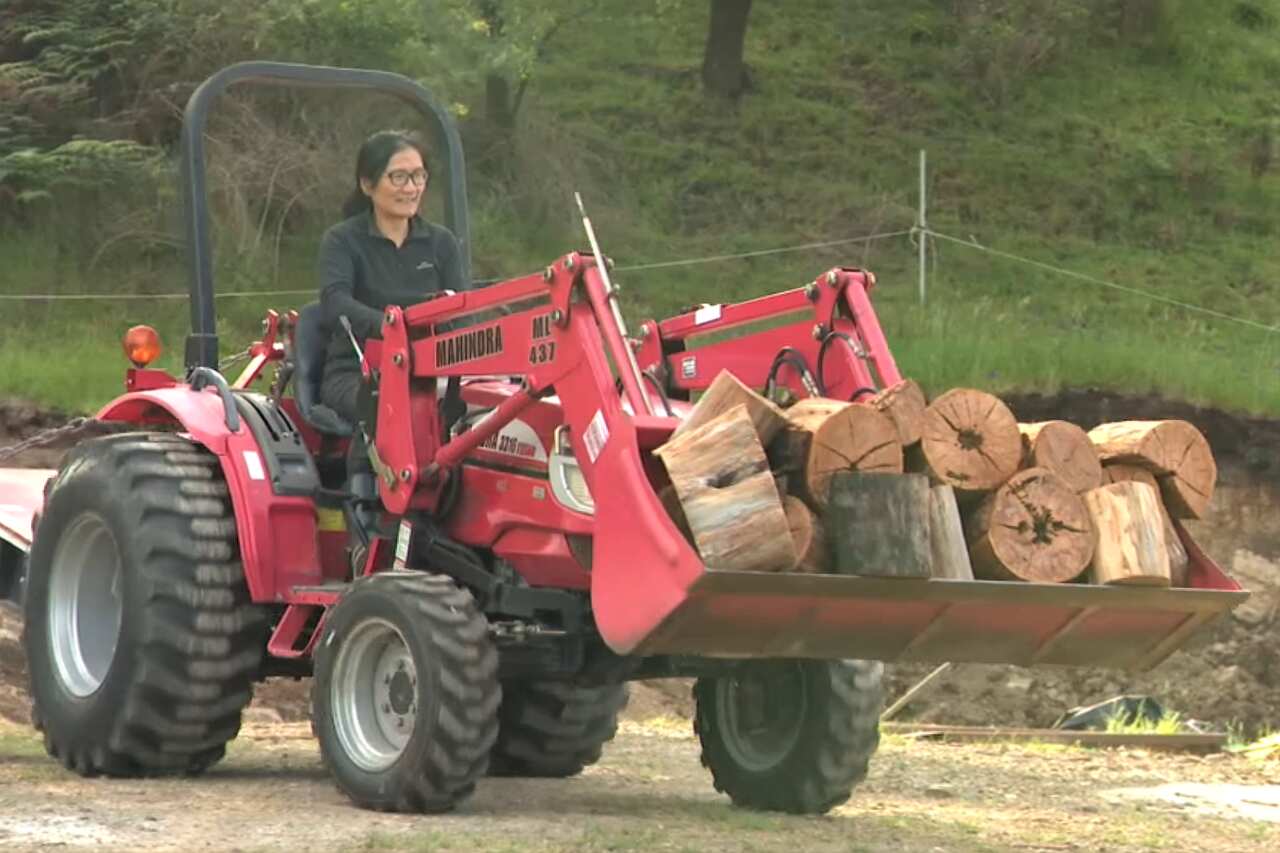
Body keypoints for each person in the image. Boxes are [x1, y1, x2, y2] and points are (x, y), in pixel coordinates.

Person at [318, 129, 467, 424]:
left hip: (434, 367)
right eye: (399, 177)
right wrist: (394, 329)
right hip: (359, 371)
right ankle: (365, 470)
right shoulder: (343, 240)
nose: (411, 188)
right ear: (367, 184)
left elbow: (462, 310)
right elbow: (335, 303)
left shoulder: (441, 243)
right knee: (392, 404)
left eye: (419, 176)